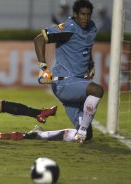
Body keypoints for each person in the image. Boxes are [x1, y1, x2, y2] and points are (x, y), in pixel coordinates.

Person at [33, 0, 104, 143]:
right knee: (97, 90)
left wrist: (90, 63)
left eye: (88, 15)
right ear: (75, 14)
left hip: (77, 83)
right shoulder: (68, 28)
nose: (85, 18)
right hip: (64, 83)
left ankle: (40, 135)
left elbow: (86, 47)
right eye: (82, 14)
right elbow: (39, 39)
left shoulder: (92, 28)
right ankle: (82, 131)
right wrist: (43, 69)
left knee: (87, 136)